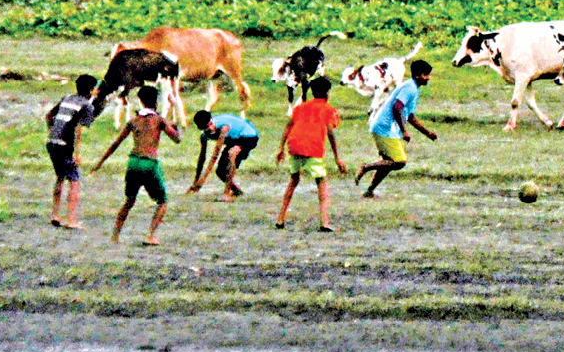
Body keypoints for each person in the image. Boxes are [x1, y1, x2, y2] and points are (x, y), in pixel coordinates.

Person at [91, 84, 180, 245]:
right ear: (156, 101)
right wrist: (175, 126)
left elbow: (116, 143)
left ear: (140, 101)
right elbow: (176, 139)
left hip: (133, 162)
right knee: (162, 201)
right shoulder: (159, 120)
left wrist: (99, 163)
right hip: (149, 163)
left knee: (129, 200)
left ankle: (115, 235)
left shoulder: (133, 121)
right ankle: (150, 235)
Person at [355, 60, 436, 198]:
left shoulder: (413, 88)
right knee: (399, 161)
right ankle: (366, 167)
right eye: (426, 75)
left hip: (385, 127)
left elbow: (410, 116)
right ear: (417, 75)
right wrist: (404, 131)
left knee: (388, 163)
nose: (428, 78)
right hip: (384, 127)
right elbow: (397, 107)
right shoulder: (410, 88)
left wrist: (427, 133)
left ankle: (369, 191)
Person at [276, 75, 347, 231]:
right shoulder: (328, 110)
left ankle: (281, 218)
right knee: (321, 182)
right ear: (327, 93)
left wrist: (281, 148)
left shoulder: (300, 107)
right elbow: (331, 133)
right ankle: (325, 222)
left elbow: (288, 126)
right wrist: (338, 158)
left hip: (294, 145)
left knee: (293, 180)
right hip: (313, 148)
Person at [45, 73, 99, 229]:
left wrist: (53, 132)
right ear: (91, 90)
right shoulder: (87, 106)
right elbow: (78, 129)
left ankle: (55, 214)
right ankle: (71, 219)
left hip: (52, 142)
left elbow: (49, 116)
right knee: (75, 181)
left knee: (60, 177)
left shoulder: (67, 98)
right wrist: (76, 153)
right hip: (65, 144)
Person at [187, 110, 259, 201]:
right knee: (220, 172)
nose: (211, 128)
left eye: (211, 124)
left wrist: (203, 179)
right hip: (234, 139)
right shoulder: (204, 136)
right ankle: (236, 190)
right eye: (207, 127)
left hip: (249, 137)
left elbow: (215, 155)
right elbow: (202, 158)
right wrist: (196, 182)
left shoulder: (224, 128)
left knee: (232, 154)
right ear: (201, 128)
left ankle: (227, 193)